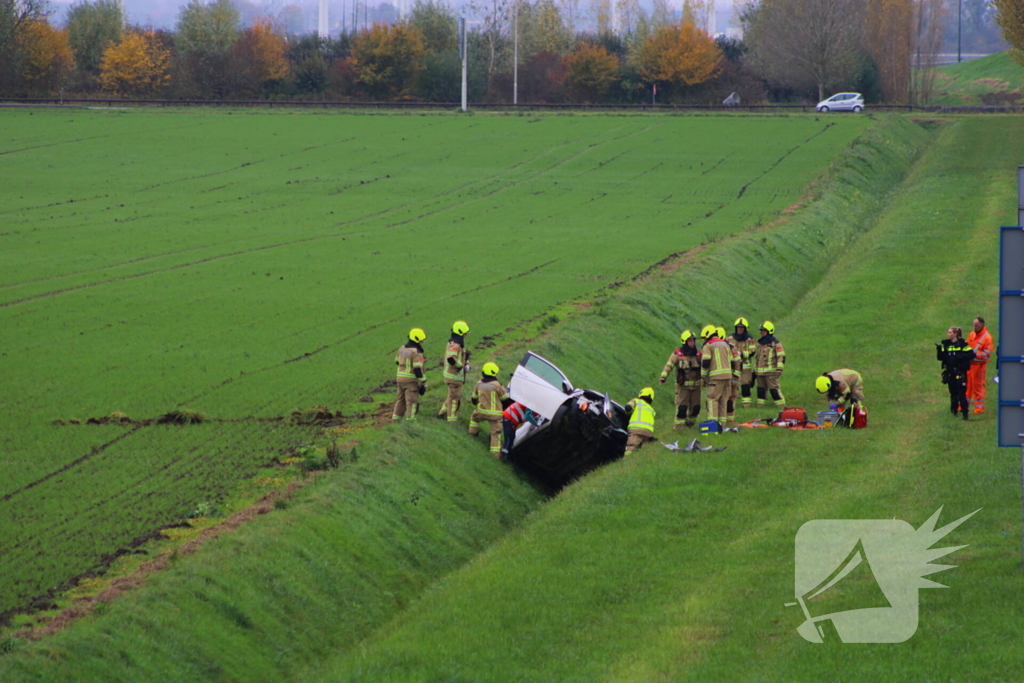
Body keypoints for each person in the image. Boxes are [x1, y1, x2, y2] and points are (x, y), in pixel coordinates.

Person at [659, 330, 702, 429]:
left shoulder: (699, 355)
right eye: (690, 341)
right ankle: (679, 429)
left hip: (696, 387)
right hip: (683, 387)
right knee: (682, 409)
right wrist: (663, 377)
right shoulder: (677, 354)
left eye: (693, 341)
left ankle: (690, 425)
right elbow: (668, 366)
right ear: (685, 342)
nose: (692, 343)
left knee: (696, 408)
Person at [701, 325, 739, 429]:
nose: (704, 340)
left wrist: (703, 377)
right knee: (723, 401)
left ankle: (713, 425)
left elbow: (705, 362)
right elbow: (732, 362)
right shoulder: (725, 344)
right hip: (728, 377)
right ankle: (722, 425)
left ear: (708, 335)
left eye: (704, 337)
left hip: (715, 377)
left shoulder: (708, 345)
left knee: (712, 399)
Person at [469, 362, 510, 458]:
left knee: (474, 418)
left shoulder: (478, 383)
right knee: (495, 434)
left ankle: (472, 434)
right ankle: (495, 455)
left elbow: (473, 399)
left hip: (481, 412)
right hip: (495, 415)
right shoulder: (497, 385)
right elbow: (506, 400)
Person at [937, 327, 974, 420]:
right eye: (948, 332)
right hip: (950, 373)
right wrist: (939, 350)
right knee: (953, 394)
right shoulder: (946, 345)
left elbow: (972, 354)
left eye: (950, 333)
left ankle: (965, 413)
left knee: (961, 394)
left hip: (960, 372)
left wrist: (959, 357)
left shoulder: (963, 344)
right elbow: (941, 358)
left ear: (955, 334)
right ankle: (954, 411)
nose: (948, 334)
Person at [438, 320, 471, 422]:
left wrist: (467, 363)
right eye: (465, 333)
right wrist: (461, 366)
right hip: (453, 377)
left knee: (451, 397)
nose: (466, 335)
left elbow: (461, 357)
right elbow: (451, 359)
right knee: (454, 400)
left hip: (455, 377)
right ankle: (451, 420)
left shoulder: (457, 344)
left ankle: (441, 414)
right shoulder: (455, 345)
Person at [393, 327, 427, 421]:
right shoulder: (416, 353)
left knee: (400, 401)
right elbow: (417, 369)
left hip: (400, 379)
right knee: (411, 402)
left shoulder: (402, 349)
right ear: (416, 340)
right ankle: (410, 424)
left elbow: (397, 361)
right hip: (410, 382)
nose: (422, 342)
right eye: (421, 340)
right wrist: (423, 381)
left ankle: (395, 422)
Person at [754, 321, 786, 408]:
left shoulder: (775, 343)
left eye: (763, 331)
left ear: (769, 331)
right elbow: (758, 358)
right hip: (760, 373)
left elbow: (781, 356)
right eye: (761, 331)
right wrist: (755, 371)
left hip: (771, 373)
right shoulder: (760, 343)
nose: (761, 333)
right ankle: (760, 407)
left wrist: (779, 369)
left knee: (774, 391)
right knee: (761, 391)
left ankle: (782, 407)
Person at [727, 317, 757, 408]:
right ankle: (730, 405)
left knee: (745, 386)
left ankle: (746, 405)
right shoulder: (730, 338)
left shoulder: (749, 339)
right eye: (738, 327)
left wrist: (742, 354)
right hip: (733, 366)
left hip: (745, 366)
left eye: (742, 328)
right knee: (732, 386)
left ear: (745, 329)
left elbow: (752, 351)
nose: (740, 329)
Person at [967, 316, 994, 415]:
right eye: (974, 325)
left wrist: (973, 355)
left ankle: (979, 409)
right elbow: (967, 346)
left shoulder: (987, 338)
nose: (975, 327)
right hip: (969, 365)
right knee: (967, 386)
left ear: (982, 325)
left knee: (978, 387)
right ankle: (964, 406)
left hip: (979, 366)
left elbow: (986, 355)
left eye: (977, 325)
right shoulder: (972, 334)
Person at [624, 387, 657, 454]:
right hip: (648, 432)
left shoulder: (636, 401)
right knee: (643, 451)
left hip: (636, 429)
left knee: (631, 447)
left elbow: (628, 407)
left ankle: (627, 461)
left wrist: (628, 409)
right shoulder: (652, 410)